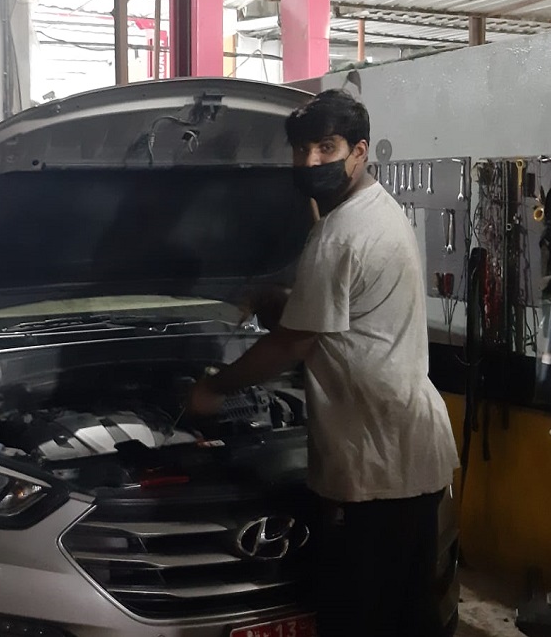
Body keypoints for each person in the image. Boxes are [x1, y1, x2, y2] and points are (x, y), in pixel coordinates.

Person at [187, 89, 460, 637]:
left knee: (359, 619)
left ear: (359, 151)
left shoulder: (340, 234)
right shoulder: (377, 210)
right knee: (410, 613)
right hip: (405, 446)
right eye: (302, 149)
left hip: (376, 461)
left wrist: (213, 389)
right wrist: (277, 300)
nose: (311, 161)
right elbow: (340, 313)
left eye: (326, 148)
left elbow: (292, 344)